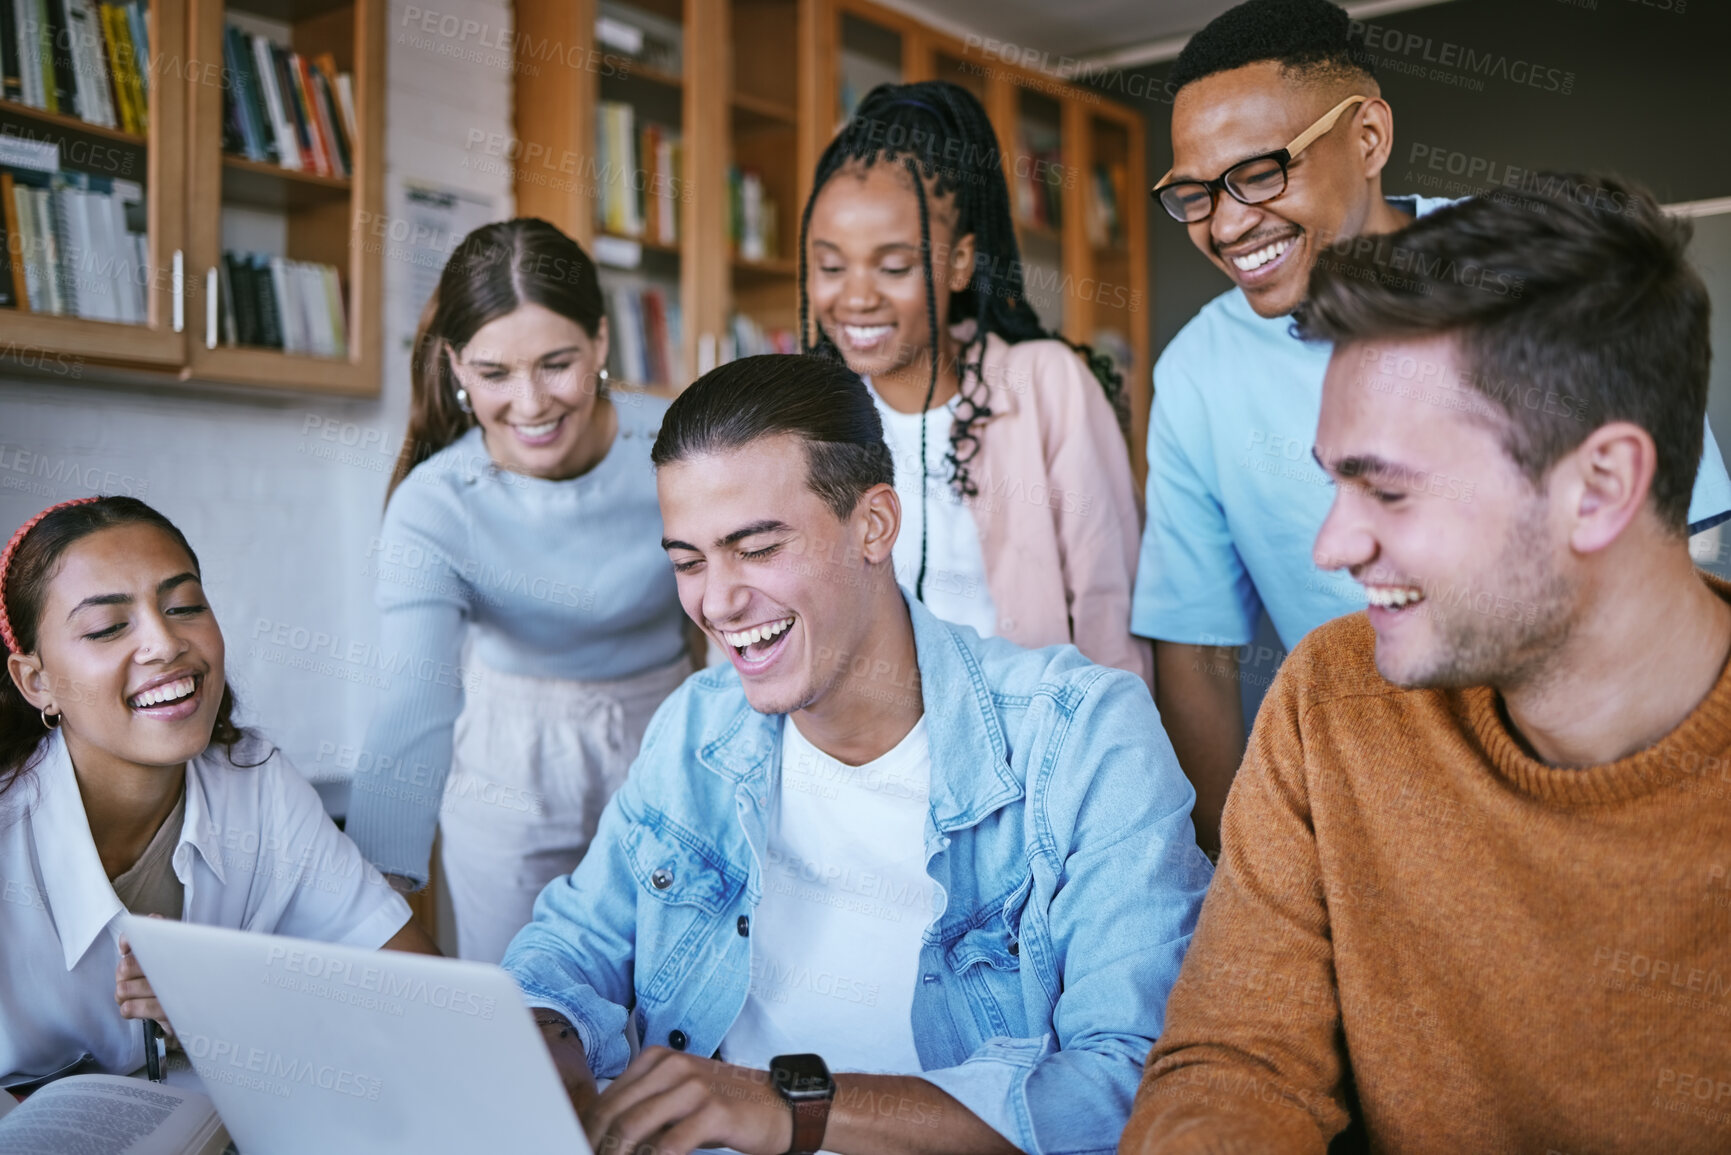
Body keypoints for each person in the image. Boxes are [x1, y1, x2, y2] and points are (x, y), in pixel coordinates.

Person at [1123, 176, 1731, 1152]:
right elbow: (1234, 1067)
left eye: (1389, 493)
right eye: (1335, 485)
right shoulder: (1331, 700)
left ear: (1601, 486)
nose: (1329, 547)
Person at [500, 355, 1210, 1155]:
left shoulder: (1081, 736)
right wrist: (546, 1023)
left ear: (873, 525)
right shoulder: (696, 725)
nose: (718, 600)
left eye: (757, 547)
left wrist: (789, 1108)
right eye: (689, 561)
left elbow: (1130, 1083)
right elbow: (572, 942)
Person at [1131, 0, 1731, 856]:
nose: (1224, 225)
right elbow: (1193, 643)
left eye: (1261, 171)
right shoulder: (1197, 372)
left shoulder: (1532, 268)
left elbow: (1692, 543)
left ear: (1367, 136)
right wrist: (1235, 862)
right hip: (1379, 798)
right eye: (1193, 192)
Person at [343, 219, 693, 962]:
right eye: (494, 372)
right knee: (522, 1007)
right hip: (510, 756)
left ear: (600, 343)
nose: (530, 403)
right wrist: (370, 902)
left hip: (667, 733)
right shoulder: (436, 502)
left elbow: (732, 623)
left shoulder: (681, 449)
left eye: (555, 363)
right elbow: (417, 700)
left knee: (670, 1001)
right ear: (455, 366)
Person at [0, 496, 435, 1088]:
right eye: (107, 628)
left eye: (184, 606)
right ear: (36, 681)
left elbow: (421, 992)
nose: (165, 642)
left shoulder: (256, 783)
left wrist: (233, 1010)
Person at [799, 81, 1151, 682]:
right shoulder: (801, 413)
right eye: (830, 266)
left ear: (960, 262)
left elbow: (1106, 611)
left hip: (1032, 744)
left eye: (893, 266)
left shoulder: (1048, 386)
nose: (856, 297)